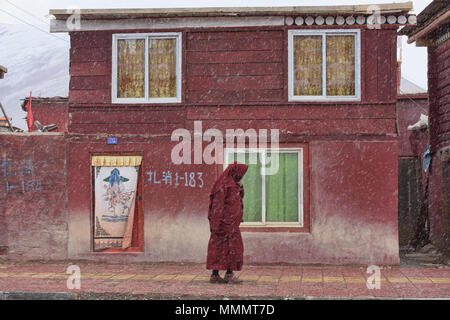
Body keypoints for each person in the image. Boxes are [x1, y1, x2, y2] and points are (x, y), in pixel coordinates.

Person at [206, 161, 248, 284]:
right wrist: (215, 225)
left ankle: (224, 274)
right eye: (241, 173)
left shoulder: (232, 184)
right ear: (235, 172)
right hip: (223, 225)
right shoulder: (224, 185)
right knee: (220, 249)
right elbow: (217, 206)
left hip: (231, 225)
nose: (241, 176)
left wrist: (240, 188)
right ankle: (218, 274)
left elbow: (237, 200)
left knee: (232, 249)